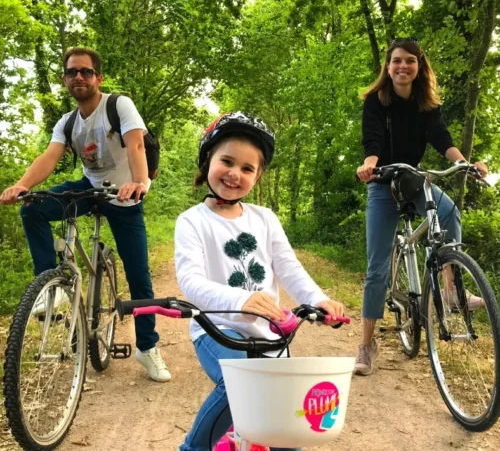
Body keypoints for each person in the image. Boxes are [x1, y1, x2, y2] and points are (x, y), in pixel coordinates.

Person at [174, 112, 345, 451]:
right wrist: (239, 300)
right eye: (227, 161)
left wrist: (318, 298)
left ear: (258, 175)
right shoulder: (192, 221)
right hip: (218, 329)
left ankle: (244, 436)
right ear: (208, 159)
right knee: (241, 382)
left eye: (247, 168)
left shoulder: (264, 218)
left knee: (286, 432)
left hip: (269, 335)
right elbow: (190, 280)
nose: (235, 173)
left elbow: (289, 267)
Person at [0, 47, 171, 382]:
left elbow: (136, 144)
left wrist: (140, 182)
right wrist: (21, 185)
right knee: (33, 208)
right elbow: (50, 157)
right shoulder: (67, 122)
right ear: (65, 79)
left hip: (124, 194)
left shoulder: (117, 105)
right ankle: (52, 287)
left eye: (86, 72)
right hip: (90, 188)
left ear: (98, 78)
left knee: (139, 278)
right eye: (72, 72)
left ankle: (148, 347)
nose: (79, 77)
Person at [355, 38, 488, 376]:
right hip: (384, 182)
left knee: (449, 214)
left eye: (410, 61)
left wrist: (465, 164)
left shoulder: (426, 103)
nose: (403, 67)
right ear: (388, 66)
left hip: (415, 179)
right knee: (377, 269)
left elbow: (441, 137)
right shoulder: (376, 101)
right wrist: (370, 164)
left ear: (419, 66)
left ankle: (451, 293)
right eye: (397, 61)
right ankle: (366, 345)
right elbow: (373, 139)